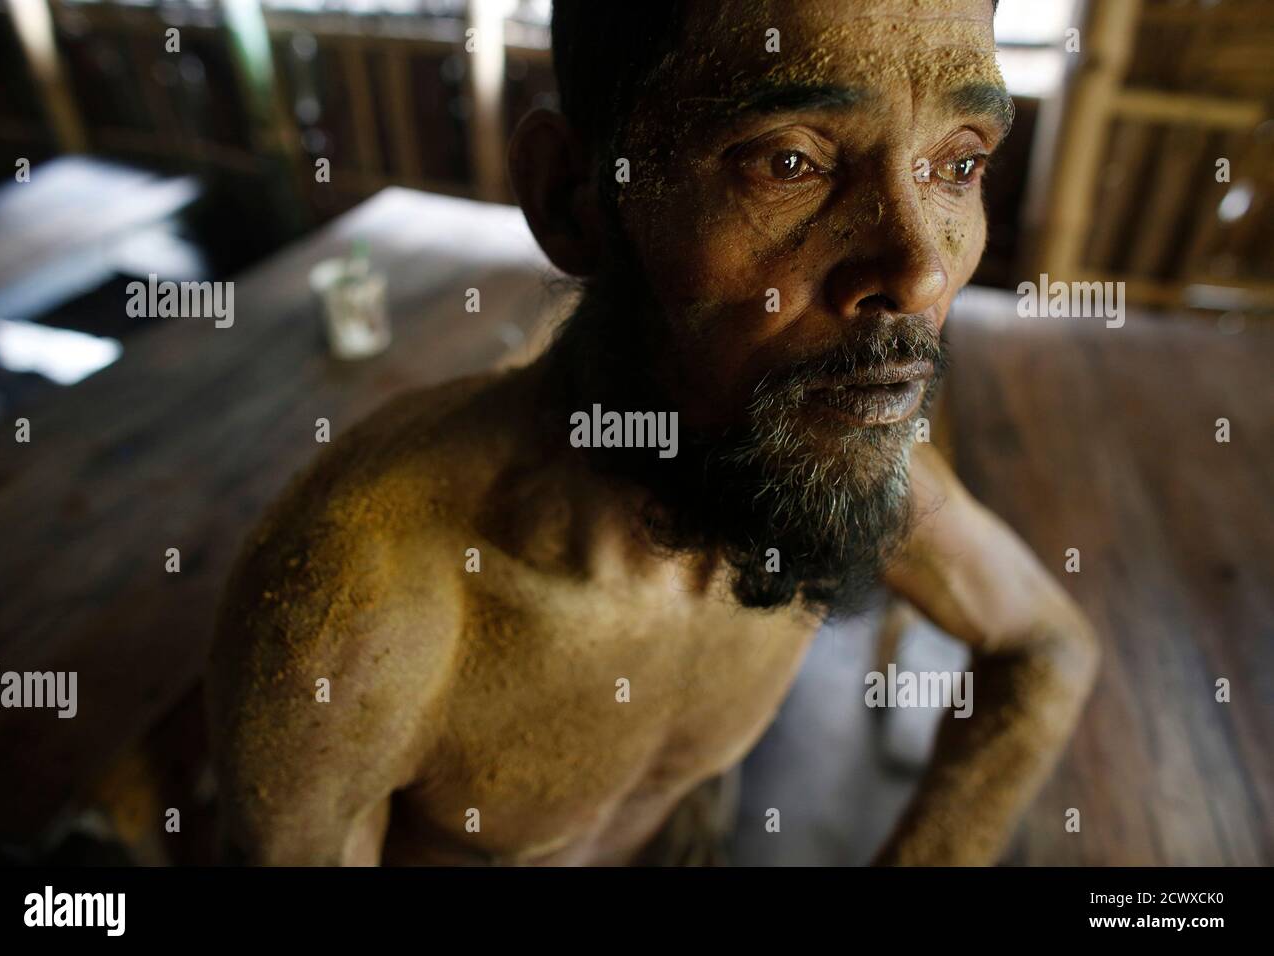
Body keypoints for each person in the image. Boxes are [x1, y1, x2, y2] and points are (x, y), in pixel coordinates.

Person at [208, 0, 1099, 866]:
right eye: (789, 162)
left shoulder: (805, 458)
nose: (919, 271)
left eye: (958, 164)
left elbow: (1048, 646)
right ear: (572, 198)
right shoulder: (361, 606)